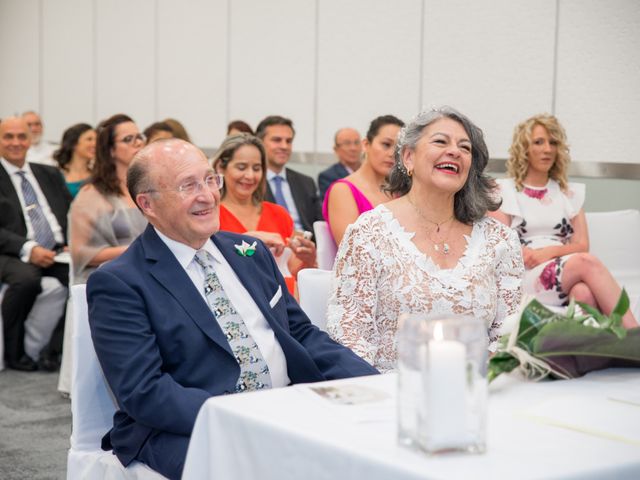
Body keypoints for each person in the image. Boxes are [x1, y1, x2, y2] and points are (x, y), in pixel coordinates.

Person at [87, 139, 377, 479]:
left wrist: (373, 383)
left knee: (364, 449)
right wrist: (242, 417)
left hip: (284, 407)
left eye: (210, 180)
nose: (207, 196)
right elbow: (144, 391)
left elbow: (299, 333)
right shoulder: (121, 281)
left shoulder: (248, 252)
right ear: (147, 204)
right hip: (189, 425)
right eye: (187, 186)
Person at [326, 107, 524, 372]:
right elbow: (351, 333)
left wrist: (478, 380)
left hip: (479, 392)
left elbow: (508, 331)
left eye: (465, 148)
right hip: (390, 394)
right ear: (408, 157)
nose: (454, 151)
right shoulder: (369, 233)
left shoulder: (498, 240)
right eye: (441, 141)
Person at [490, 114, 637, 328]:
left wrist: (547, 253)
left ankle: (586, 347)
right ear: (524, 148)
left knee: (583, 293)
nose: (548, 149)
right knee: (587, 262)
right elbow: (499, 243)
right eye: (539, 142)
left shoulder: (569, 194)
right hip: (527, 273)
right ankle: (634, 334)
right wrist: (534, 255)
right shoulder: (504, 190)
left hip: (565, 268)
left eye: (553, 142)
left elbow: (582, 245)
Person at [0, 116, 72, 371]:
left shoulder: (49, 173)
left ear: (30, 140)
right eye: (8, 136)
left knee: (87, 280)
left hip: (59, 251)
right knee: (26, 281)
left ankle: (54, 351)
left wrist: (73, 241)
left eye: (22, 136)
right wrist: (29, 249)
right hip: (12, 252)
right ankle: (15, 354)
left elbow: (71, 213)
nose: (16, 142)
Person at [212, 134, 317, 295]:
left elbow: (290, 272)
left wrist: (308, 259)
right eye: (241, 167)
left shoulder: (278, 213)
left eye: (256, 168)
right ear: (221, 167)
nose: (250, 176)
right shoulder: (211, 215)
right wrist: (247, 241)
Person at [69, 114, 147, 284]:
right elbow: (80, 253)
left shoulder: (148, 187)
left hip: (148, 275)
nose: (138, 143)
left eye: (139, 137)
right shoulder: (91, 194)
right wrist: (138, 250)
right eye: (128, 139)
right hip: (109, 280)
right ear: (111, 150)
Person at [323, 115, 404, 245]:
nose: (392, 153)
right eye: (386, 144)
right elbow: (352, 250)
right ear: (366, 144)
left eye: (399, 148)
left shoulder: (400, 191)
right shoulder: (342, 190)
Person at [256, 115, 323, 235]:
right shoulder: (251, 182)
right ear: (260, 142)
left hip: (307, 248)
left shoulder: (306, 183)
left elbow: (320, 226)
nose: (284, 146)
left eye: (289, 141)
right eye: (277, 140)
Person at [317, 127, 363, 198]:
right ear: (336, 149)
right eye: (347, 143)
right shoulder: (327, 177)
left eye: (357, 142)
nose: (353, 148)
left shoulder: (371, 172)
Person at [53, 123, 96, 198]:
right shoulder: (56, 177)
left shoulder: (98, 176)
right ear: (74, 143)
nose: (95, 144)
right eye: (89, 139)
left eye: (96, 140)